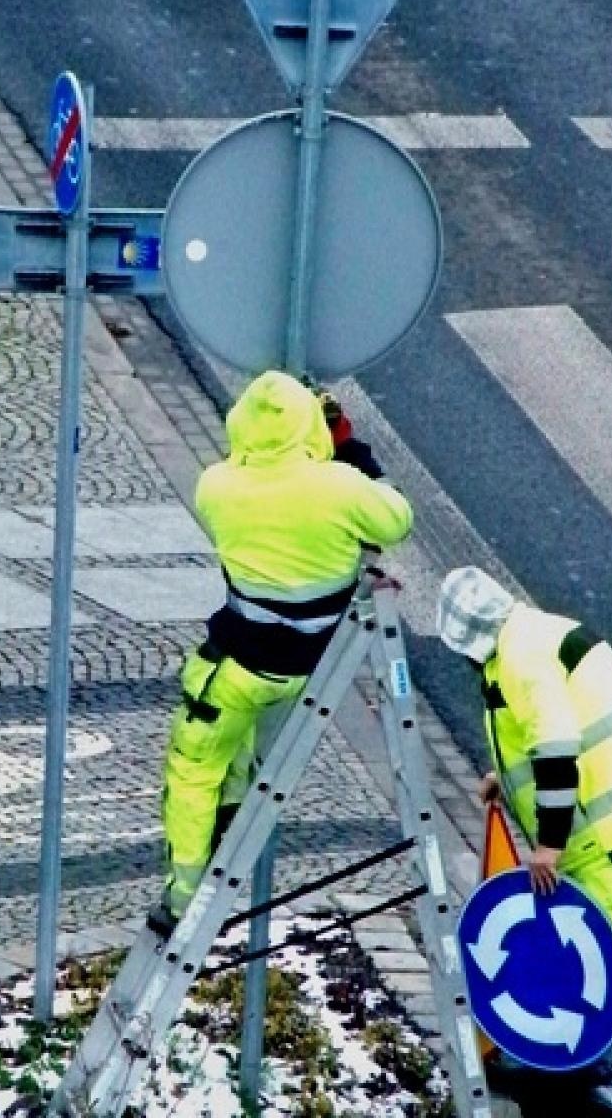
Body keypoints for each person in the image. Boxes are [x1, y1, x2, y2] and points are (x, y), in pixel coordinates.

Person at [150, 370, 413, 935]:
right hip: (312, 668)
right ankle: (231, 820)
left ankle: (185, 897)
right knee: (243, 749)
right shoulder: (339, 489)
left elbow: (250, 477)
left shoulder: (216, 487)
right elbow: (395, 518)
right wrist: (344, 446)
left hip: (241, 665)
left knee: (195, 765)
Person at [436, 566, 612, 1117]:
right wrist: (502, 779)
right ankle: (611, 1066)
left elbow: (555, 746)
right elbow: (541, 733)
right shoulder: (534, 633)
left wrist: (548, 846)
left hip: (610, 832)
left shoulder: (520, 659)